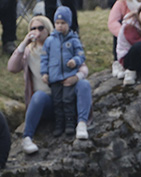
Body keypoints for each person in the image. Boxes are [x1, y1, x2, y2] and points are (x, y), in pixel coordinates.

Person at [7, 15, 92, 154]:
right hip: (48, 101)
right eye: (33, 28)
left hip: (67, 97)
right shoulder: (29, 51)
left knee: (84, 84)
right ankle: (27, 138)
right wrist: (23, 44)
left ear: (48, 29)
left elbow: (83, 67)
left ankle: (82, 124)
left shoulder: (62, 44)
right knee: (38, 96)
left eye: (41, 28)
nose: (37, 31)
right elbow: (12, 68)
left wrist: (76, 77)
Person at [41, 7, 86, 138]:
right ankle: (59, 125)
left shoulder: (74, 40)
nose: (60, 26)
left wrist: (75, 61)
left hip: (68, 76)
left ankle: (70, 124)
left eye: (63, 23)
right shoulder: (49, 41)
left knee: (68, 100)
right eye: (57, 23)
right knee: (57, 102)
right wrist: (44, 73)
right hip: (54, 77)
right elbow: (44, 58)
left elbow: (81, 55)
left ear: (69, 23)